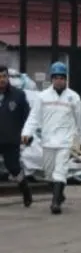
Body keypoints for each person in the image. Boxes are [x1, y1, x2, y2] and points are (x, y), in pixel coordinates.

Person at [21, 62, 81, 214]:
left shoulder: (74, 98)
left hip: (66, 141)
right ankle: (60, 195)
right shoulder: (43, 97)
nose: (59, 81)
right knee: (49, 172)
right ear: (52, 79)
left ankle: (55, 203)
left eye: (62, 78)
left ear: (66, 79)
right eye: (56, 78)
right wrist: (27, 133)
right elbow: (34, 117)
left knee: (61, 170)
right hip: (48, 141)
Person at [0, 65, 32, 207]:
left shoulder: (18, 95)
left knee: (13, 167)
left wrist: (27, 134)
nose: (2, 80)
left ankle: (25, 189)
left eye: (4, 76)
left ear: (8, 78)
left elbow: (27, 117)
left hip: (10, 138)